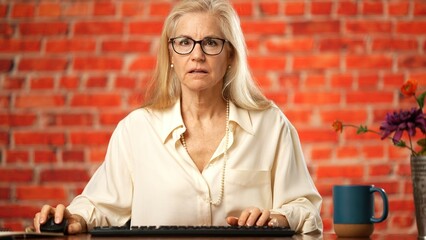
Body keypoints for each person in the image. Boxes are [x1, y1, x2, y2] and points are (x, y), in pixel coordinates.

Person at [33, 0, 322, 235]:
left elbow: (307, 209)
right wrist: (74, 217)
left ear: (231, 55)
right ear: (171, 54)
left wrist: (280, 216)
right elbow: (100, 204)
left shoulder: (271, 126)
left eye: (211, 42)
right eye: (184, 42)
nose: (197, 54)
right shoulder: (136, 130)